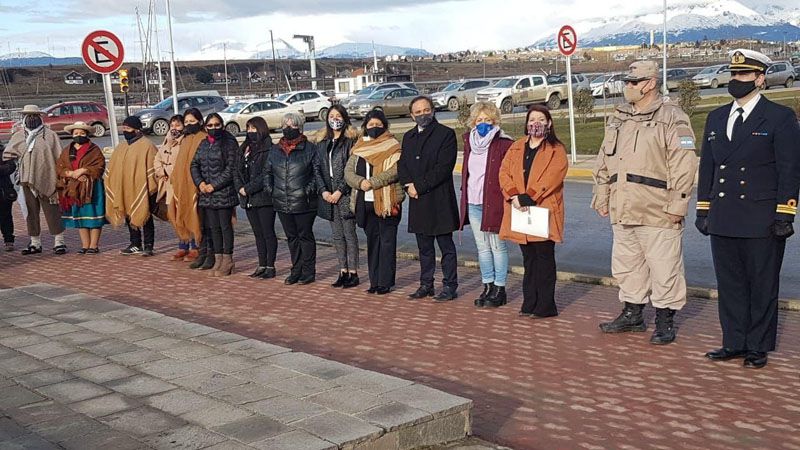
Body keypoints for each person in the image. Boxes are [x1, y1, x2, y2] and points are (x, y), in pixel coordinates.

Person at [696, 49, 800, 369]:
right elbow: (708, 168)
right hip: (725, 215)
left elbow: (789, 169)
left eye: (743, 75)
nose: (736, 80)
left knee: (762, 283)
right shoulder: (716, 117)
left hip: (761, 217)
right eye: (733, 74)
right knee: (730, 284)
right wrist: (703, 209)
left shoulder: (779, 117)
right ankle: (733, 341)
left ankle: (757, 346)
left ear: (760, 78)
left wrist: (785, 212)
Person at [591, 61, 698, 345]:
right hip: (624, 208)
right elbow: (604, 161)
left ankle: (665, 319)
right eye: (627, 82)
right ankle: (633, 313)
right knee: (628, 266)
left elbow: (684, 163)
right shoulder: (619, 118)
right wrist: (602, 196)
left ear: (650, 83)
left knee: (665, 268)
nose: (627, 87)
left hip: (658, 209)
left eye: (632, 82)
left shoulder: (673, 117)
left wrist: (678, 204)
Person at [499, 105, 568, 318]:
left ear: (549, 123)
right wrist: (513, 195)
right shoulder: (517, 146)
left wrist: (529, 196)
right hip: (519, 208)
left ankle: (546, 306)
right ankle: (529, 302)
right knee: (528, 260)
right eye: (531, 119)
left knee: (544, 258)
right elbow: (504, 172)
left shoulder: (556, 149)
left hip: (542, 209)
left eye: (540, 119)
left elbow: (553, 177)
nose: (535, 123)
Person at [398, 96, 460, 301]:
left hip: (439, 199)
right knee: (424, 248)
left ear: (433, 110)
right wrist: (408, 186)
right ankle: (426, 284)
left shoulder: (446, 134)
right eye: (418, 112)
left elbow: (443, 168)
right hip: (417, 200)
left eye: (426, 110)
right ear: (411, 115)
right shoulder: (408, 137)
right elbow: (403, 165)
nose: (423, 114)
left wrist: (420, 186)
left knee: (446, 247)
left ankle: (450, 285)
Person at [459, 101, 514, 308]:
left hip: (493, 203)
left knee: (497, 246)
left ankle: (500, 288)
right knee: (482, 248)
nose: (483, 124)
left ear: (495, 121)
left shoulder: (503, 144)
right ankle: (488, 285)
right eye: (479, 120)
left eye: (487, 120)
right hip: (473, 202)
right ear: (473, 122)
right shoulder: (469, 143)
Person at [345, 109, 405, 295]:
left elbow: (395, 170)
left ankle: (385, 282)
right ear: (365, 127)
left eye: (379, 125)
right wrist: (360, 183)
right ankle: (374, 281)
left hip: (388, 202)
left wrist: (372, 182)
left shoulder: (393, 145)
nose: (375, 128)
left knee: (387, 243)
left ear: (385, 126)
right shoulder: (359, 148)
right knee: (373, 242)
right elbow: (348, 173)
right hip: (366, 203)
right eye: (371, 125)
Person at [2, 105, 67, 255]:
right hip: (26, 179)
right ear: (24, 118)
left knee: (52, 210)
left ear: (40, 117)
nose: (32, 119)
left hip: (47, 177)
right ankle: (35, 242)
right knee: (31, 211)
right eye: (28, 116)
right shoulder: (19, 136)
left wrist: (60, 177)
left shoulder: (50, 135)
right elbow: (8, 153)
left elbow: (59, 156)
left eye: (34, 116)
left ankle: (59, 241)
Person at [264, 112, 319, 285]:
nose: (288, 128)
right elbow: (267, 172)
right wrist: (271, 190)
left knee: (305, 236)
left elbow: (316, 174)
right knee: (291, 237)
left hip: (304, 202)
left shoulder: (310, 148)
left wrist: (306, 191)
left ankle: (308, 271)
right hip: (281, 200)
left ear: (300, 127)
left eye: (292, 125)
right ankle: (296, 269)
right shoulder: (275, 150)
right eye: (285, 125)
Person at [312, 104, 360, 288]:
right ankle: (343, 270)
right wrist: (324, 190)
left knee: (349, 234)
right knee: (337, 236)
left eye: (338, 115)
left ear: (344, 118)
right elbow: (317, 168)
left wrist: (340, 191)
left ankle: (354, 272)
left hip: (344, 193)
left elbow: (351, 169)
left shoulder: (350, 142)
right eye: (331, 116)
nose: (335, 119)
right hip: (328, 194)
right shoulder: (323, 142)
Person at [191, 113, 238, 277]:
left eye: (216, 125)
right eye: (210, 126)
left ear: (222, 125)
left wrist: (214, 185)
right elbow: (194, 165)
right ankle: (218, 258)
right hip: (206, 194)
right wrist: (201, 183)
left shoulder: (229, 143)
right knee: (213, 228)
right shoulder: (203, 144)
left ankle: (228, 259)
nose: (213, 128)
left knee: (225, 227)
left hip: (223, 192)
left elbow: (231, 168)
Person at [105, 116, 158, 256]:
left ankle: (148, 245)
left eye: (128, 128)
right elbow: (113, 167)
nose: (125, 131)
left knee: (145, 214)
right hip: (125, 188)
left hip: (143, 187)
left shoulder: (147, 145)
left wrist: (150, 184)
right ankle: (135, 243)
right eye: (124, 128)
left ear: (136, 129)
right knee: (128, 215)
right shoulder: (121, 146)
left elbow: (153, 167)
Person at [235, 116, 278, 279]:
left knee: (268, 232)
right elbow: (236, 170)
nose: (251, 132)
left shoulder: (270, 149)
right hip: (248, 198)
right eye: (249, 129)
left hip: (264, 197)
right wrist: (240, 187)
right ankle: (261, 264)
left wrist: (248, 188)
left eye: (254, 128)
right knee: (257, 233)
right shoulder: (244, 148)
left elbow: (266, 174)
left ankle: (270, 265)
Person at [55, 122, 106, 253]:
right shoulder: (67, 151)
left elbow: (99, 166)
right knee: (79, 215)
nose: (79, 135)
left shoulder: (94, 149)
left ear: (87, 134)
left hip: (91, 188)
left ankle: (94, 245)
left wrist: (84, 170)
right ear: (72, 134)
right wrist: (70, 174)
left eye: (82, 133)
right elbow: (60, 166)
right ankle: (85, 245)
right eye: (76, 133)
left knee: (94, 215)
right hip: (74, 189)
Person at [155, 114, 198, 261]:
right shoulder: (166, 141)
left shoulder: (186, 142)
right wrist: (161, 172)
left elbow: (185, 162)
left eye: (177, 125)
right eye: (172, 125)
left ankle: (195, 246)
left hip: (182, 184)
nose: (174, 128)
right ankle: (183, 244)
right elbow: (158, 159)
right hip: (168, 185)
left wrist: (173, 172)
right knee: (173, 216)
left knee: (186, 213)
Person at [170, 108, 208, 268]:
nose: (189, 125)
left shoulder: (204, 138)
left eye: (192, 122)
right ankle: (186, 244)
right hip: (181, 185)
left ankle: (198, 247)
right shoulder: (185, 140)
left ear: (200, 122)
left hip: (199, 184)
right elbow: (180, 163)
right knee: (183, 211)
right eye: (186, 122)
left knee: (198, 216)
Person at [0, 142, 16, 252]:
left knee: (5, 216)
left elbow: (11, 166)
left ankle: (9, 239)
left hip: (3, 190)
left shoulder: (4, 152)